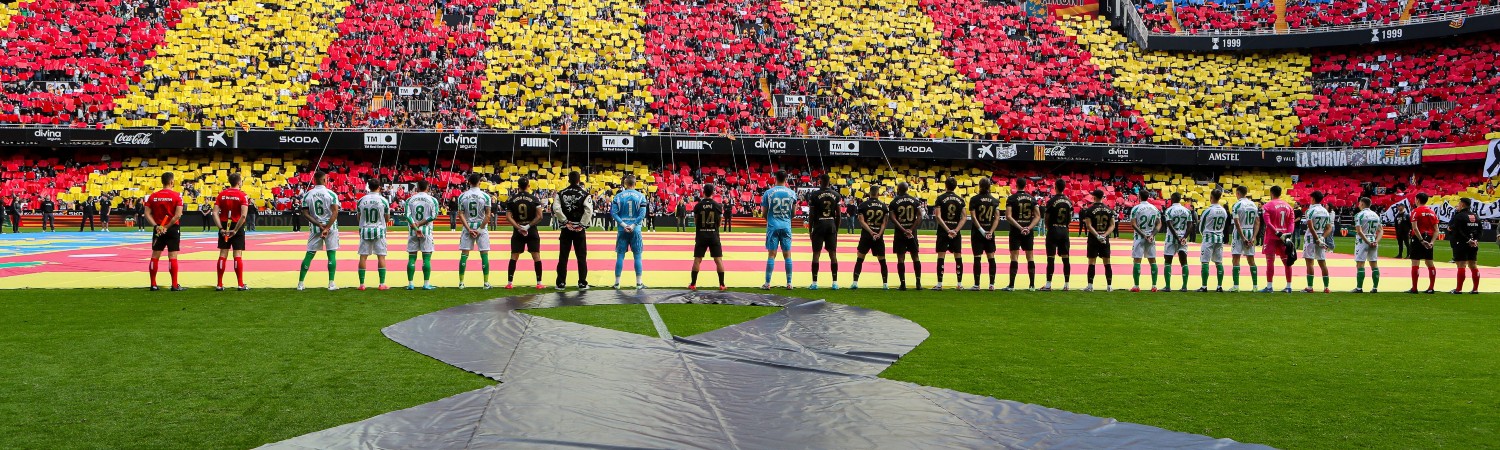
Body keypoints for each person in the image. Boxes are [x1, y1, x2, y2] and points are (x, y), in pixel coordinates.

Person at [297, 171, 341, 291]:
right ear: (324, 180)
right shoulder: (331, 194)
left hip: (315, 227)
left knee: (309, 254)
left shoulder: (308, 195)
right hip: (331, 227)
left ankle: (300, 283)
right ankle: (331, 283)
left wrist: (318, 224)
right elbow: (335, 212)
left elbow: (305, 213)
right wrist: (326, 228)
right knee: (331, 254)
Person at [145, 172, 186, 291]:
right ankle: (174, 284)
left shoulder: (153, 196)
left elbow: (147, 213)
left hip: (158, 228)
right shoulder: (177, 196)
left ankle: (153, 284)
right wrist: (167, 227)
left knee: (155, 255)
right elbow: (178, 215)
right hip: (172, 228)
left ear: (162, 182)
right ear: (172, 182)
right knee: (172, 256)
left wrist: (156, 226)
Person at [554, 171, 594, 290]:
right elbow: (589, 211)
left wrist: (565, 221)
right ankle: (582, 282)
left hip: (566, 228)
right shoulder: (585, 194)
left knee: (563, 256)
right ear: (578, 180)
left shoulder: (560, 193)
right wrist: (582, 224)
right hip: (579, 229)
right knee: (581, 256)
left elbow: (556, 208)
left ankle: (561, 283)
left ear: (569, 180)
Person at [504, 178, 546, 290]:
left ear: (518, 186)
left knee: (514, 256)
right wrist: (527, 226)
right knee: (536, 255)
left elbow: (508, 217)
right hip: (531, 229)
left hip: (518, 229)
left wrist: (518, 227)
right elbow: (540, 216)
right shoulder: (534, 199)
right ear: (528, 185)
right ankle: (539, 283)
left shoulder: (512, 199)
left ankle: (509, 282)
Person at [211, 173, 250, 291]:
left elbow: (214, 213)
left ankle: (219, 284)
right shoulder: (242, 196)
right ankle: (240, 284)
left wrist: (221, 229)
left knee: (223, 254)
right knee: (237, 254)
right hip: (236, 225)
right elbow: (243, 216)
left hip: (224, 225)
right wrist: (236, 230)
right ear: (239, 182)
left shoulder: (221, 194)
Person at [456, 174, 494, 290]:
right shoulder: (485, 197)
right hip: (481, 228)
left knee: (464, 254)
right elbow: (488, 215)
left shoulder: (462, 197)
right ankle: (486, 283)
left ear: (468, 182)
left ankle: (461, 283)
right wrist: (479, 229)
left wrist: (468, 229)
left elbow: (460, 214)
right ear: (479, 182)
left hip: (468, 227)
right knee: (484, 254)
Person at [762, 171, 798, 290]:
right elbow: (793, 213)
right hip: (786, 226)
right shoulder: (792, 193)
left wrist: (771, 219)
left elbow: (764, 213)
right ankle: (789, 283)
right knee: (787, 255)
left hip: (773, 226)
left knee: (771, 255)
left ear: (775, 178)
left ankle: (767, 283)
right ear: (786, 179)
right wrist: (786, 218)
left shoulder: (768, 193)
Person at [610, 174, 648, 290]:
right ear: (635, 183)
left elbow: (614, 213)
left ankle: (617, 283)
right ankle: (639, 283)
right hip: (635, 230)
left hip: (622, 229)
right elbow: (642, 214)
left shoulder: (618, 197)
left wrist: (624, 225)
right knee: (637, 256)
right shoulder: (641, 196)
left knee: (620, 256)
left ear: (625, 184)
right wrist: (633, 225)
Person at [806, 174, 842, 290]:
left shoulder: (815, 195)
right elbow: (839, 215)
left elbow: (811, 214)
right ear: (829, 181)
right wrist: (836, 229)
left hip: (819, 225)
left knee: (816, 254)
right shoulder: (836, 195)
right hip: (831, 224)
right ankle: (835, 282)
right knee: (833, 254)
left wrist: (810, 229)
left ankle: (814, 283)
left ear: (820, 181)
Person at [689, 184, 727, 291]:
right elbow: (720, 223)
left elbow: (696, 222)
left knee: (697, 260)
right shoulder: (717, 206)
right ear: (713, 193)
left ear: (703, 192)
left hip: (701, 235)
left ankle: (693, 284)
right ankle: (722, 284)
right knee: (718, 259)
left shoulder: (698, 206)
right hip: (714, 235)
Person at [355, 181, 392, 291]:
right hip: (379, 230)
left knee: (363, 256)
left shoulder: (361, 200)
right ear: (379, 187)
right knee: (381, 256)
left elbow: (358, 217)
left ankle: (362, 284)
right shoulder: (384, 201)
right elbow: (387, 217)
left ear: (369, 187)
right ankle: (382, 283)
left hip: (365, 229)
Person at [967, 178, 1002, 291]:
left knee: (977, 257)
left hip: (978, 232)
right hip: (990, 232)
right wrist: (990, 231)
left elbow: (973, 217)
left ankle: (977, 284)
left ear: (979, 186)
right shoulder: (995, 200)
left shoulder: (974, 199)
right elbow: (997, 218)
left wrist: (981, 230)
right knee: (991, 257)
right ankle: (992, 284)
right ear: (989, 186)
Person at [851, 185, 890, 290]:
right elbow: (884, 223)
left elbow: (861, 220)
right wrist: (878, 233)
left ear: (869, 193)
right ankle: (885, 284)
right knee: (882, 260)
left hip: (866, 236)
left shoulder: (863, 205)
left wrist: (870, 232)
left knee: (860, 259)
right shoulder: (884, 206)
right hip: (878, 236)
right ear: (878, 193)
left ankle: (855, 282)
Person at [932, 177, 967, 290]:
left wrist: (947, 230)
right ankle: (960, 283)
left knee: (941, 256)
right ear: (955, 186)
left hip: (943, 232)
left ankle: (939, 284)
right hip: (956, 233)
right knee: (958, 256)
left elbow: (938, 216)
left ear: (945, 185)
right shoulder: (960, 200)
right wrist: (956, 230)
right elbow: (964, 217)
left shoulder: (940, 198)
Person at [1002, 178, 1037, 291]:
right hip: (1028, 230)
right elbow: (1037, 216)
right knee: (1030, 257)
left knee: (1014, 257)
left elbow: (1008, 216)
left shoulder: (1011, 198)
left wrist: (1020, 227)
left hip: (1016, 231)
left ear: (1016, 185)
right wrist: (1028, 228)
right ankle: (1032, 285)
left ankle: (1011, 285)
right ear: (1025, 186)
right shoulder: (1032, 199)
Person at [405, 180, 441, 290]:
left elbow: (407, 216)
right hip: (426, 231)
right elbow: (434, 216)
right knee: (426, 258)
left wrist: (416, 227)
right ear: (428, 187)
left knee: (412, 258)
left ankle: (411, 284)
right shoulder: (433, 200)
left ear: (417, 187)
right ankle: (426, 284)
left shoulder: (409, 200)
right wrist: (420, 224)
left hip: (413, 231)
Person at [1259, 186, 1296, 293]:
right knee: (1287, 262)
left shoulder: (1267, 206)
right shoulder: (1288, 206)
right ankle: (1288, 286)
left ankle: (1269, 287)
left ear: (1271, 193)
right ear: (1281, 193)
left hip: (1271, 237)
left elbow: (1268, 223)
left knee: (1270, 262)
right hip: (1284, 237)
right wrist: (1287, 235)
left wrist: (1277, 233)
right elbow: (1291, 222)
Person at [889, 182, 924, 291]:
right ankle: (918, 283)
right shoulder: (914, 200)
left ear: (898, 189)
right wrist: (911, 229)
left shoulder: (894, 201)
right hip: (912, 233)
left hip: (900, 233)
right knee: (915, 257)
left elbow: (893, 218)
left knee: (900, 258)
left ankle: (903, 284)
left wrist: (903, 229)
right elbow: (919, 216)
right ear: (907, 189)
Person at [1041, 179, 1073, 291]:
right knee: (1066, 258)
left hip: (1053, 229)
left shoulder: (1051, 201)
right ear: (1064, 187)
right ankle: (1067, 284)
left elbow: (1047, 217)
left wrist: (1049, 228)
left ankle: (1048, 284)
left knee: (1051, 258)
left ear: (1055, 187)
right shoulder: (1069, 201)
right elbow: (1069, 218)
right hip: (1064, 230)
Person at [1082, 190, 1116, 292]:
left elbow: (1088, 225)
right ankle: (1109, 286)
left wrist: (1097, 235)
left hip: (1093, 238)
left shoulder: (1089, 210)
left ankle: (1090, 286)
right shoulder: (1109, 210)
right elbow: (1112, 225)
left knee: (1092, 262)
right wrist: (1104, 235)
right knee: (1107, 262)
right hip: (1105, 239)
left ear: (1094, 197)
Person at [1302, 191, 1334, 293]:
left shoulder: (1310, 211)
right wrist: (1322, 238)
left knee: (1309, 262)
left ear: (1313, 199)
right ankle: (1326, 287)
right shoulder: (1325, 211)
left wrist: (1316, 239)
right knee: (1322, 262)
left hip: (1311, 238)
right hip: (1321, 236)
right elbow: (1329, 228)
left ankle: (1310, 287)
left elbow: (1310, 227)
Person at [1129, 191, 1162, 292]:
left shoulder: (1136, 208)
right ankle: (1154, 285)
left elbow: (1133, 224)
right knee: (1152, 260)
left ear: (1139, 197)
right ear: (1148, 197)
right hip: (1151, 238)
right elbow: (1159, 224)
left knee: (1137, 260)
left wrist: (1143, 234)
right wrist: (1152, 234)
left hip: (1139, 237)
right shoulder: (1154, 209)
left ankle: (1136, 285)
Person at [1197, 189, 1228, 292]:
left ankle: (1204, 286)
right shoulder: (1224, 211)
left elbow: (1201, 226)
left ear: (1211, 197)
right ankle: (1219, 286)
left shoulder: (1208, 210)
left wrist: (1204, 235)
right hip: (1219, 238)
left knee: (1205, 262)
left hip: (1209, 237)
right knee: (1219, 262)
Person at [1230, 186, 1261, 292]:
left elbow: (1237, 222)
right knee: (1251, 260)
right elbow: (1257, 222)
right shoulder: (1253, 205)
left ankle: (1236, 286)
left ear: (1238, 193)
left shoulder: (1236, 205)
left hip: (1240, 234)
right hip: (1250, 232)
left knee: (1236, 259)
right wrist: (1254, 237)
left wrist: (1242, 237)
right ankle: (1255, 286)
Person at [1447, 198, 1480, 294]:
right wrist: (1475, 240)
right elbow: (1480, 230)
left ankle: (1458, 289)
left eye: (1459, 203)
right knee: (1473, 265)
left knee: (1461, 265)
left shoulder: (1459, 216)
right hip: (1473, 244)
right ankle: (1475, 289)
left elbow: (1458, 231)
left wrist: (1467, 240)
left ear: (1462, 204)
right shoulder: (1475, 216)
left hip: (1461, 243)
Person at [1408, 193, 1439, 294]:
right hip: (1429, 238)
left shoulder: (1416, 211)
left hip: (1418, 238)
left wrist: (1421, 240)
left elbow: (1415, 228)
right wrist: (1432, 242)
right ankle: (1431, 287)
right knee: (1429, 263)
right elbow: (1436, 230)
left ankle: (1414, 288)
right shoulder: (1431, 212)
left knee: (1415, 262)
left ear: (1417, 200)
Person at [1162, 193, 1192, 292]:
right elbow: (1190, 225)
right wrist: (1184, 237)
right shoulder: (1187, 211)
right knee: (1184, 262)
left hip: (1171, 239)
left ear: (1172, 199)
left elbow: (1170, 225)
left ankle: (1167, 286)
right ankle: (1184, 286)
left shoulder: (1169, 210)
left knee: (1168, 262)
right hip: (1183, 239)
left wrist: (1177, 237)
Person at [1351, 196, 1382, 293]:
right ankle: (1375, 287)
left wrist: (1367, 242)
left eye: (1359, 203)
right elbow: (1381, 231)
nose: (1359, 205)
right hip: (1373, 239)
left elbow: (1359, 231)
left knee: (1360, 264)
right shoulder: (1376, 215)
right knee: (1374, 264)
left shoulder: (1359, 215)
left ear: (1362, 204)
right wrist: (1376, 241)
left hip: (1362, 241)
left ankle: (1359, 288)